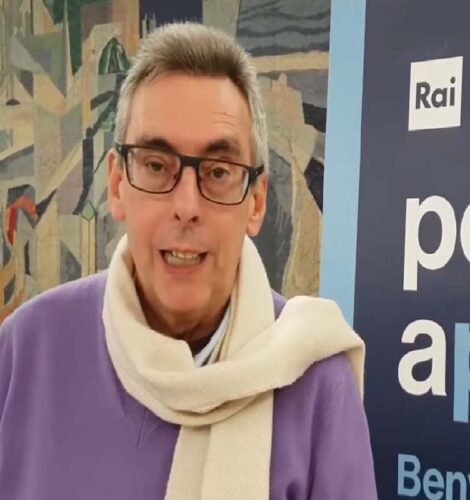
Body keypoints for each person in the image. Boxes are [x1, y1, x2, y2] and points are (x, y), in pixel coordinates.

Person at [0, 22, 377, 500]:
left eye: (218, 172)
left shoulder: (317, 386)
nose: (186, 205)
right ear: (117, 184)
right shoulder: (26, 353)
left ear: (256, 201)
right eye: (157, 165)